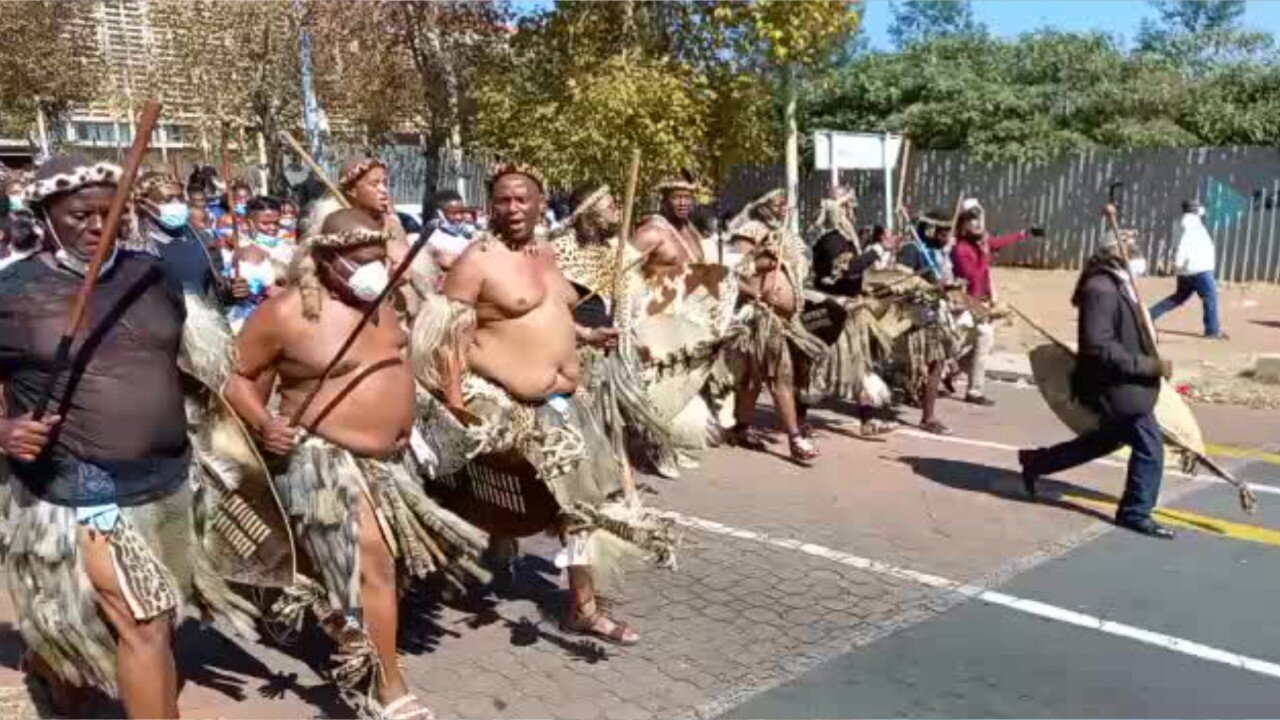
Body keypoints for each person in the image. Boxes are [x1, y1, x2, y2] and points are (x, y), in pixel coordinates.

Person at [0, 154, 252, 718]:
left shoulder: (151, 274)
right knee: (146, 625)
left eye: (108, 212)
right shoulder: (13, 291)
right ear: (45, 214)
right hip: (85, 486)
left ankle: (51, 666)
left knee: (142, 620)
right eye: (78, 214)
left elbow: (190, 364)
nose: (96, 226)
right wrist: (5, 429)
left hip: (169, 480)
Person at [225, 208, 486, 718]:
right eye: (360, 260)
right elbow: (234, 375)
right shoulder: (285, 314)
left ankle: (338, 628)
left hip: (392, 463)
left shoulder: (383, 305)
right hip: (326, 462)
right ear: (325, 260)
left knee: (376, 574)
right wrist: (263, 422)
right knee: (370, 568)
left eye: (378, 259)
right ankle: (386, 687)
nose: (374, 270)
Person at [439, 163, 674, 646]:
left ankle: (580, 607)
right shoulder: (477, 259)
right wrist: (456, 406)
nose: (513, 207)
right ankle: (527, 580)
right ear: (491, 206)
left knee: (586, 502)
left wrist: (588, 333)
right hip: (507, 402)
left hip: (565, 399)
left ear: (541, 204)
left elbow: (552, 310)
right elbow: (445, 337)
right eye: (503, 199)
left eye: (523, 198)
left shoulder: (545, 254)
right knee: (540, 500)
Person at [1019, 229, 1175, 539]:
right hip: (1113, 385)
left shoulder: (1119, 284)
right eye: (1135, 253)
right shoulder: (1101, 288)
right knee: (1150, 447)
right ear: (1119, 256)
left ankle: (1037, 462)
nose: (1141, 260)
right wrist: (1147, 366)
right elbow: (1098, 346)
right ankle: (1135, 511)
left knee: (1105, 440)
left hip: (1126, 382)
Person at [550, 183, 679, 477]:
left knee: (610, 423)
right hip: (572, 352)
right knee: (576, 425)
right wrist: (583, 333)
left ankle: (608, 480)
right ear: (591, 214)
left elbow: (624, 301)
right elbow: (548, 310)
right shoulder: (560, 250)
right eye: (610, 207)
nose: (617, 212)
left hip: (609, 352)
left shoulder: (613, 251)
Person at [724, 190, 826, 462]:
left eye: (785, 204)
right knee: (780, 375)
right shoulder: (750, 231)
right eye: (778, 204)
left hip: (784, 319)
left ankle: (741, 427)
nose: (783, 208)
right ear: (763, 206)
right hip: (760, 317)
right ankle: (795, 438)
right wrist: (759, 287)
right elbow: (733, 273)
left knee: (754, 380)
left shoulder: (784, 235)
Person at [808, 191, 897, 435]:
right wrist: (878, 250)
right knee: (821, 366)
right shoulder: (832, 240)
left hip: (851, 309)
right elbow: (848, 269)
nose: (852, 212)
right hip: (833, 310)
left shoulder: (845, 238)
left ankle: (867, 420)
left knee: (861, 364)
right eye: (848, 207)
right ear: (837, 210)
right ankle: (797, 419)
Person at [950, 199, 1043, 406]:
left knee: (984, 343)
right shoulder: (961, 249)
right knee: (954, 346)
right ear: (963, 225)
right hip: (964, 305)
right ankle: (946, 369)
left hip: (980, 306)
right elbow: (972, 276)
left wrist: (1024, 233)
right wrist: (984, 255)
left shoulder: (979, 245)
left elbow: (1000, 242)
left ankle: (974, 390)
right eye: (972, 221)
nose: (977, 225)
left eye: (978, 220)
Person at [133, 169, 246, 306]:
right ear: (144, 205)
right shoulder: (134, 250)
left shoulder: (203, 240)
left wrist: (232, 290)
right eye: (167, 200)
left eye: (179, 198)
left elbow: (216, 290)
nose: (176, 204)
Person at [895, 210, 960, 435]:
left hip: (933, 313)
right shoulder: (912, 250)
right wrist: (930, 285)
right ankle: (927, 416)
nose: (947, 235)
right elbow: (901, 283)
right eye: (943, 231)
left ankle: (926, 413)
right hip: (915, 314)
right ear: (931, 229)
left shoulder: (937, 251)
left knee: (937, 361)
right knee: (927, 363)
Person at [1149, 199, 1224, 339]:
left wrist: (1178, 265)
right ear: (1194, 210)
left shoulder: (1183, 222)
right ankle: (1212, 330)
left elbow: (1180, 244)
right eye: (1198, 207)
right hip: (1198, 268)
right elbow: (1182, 245)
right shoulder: (1190, 224)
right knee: (1210, 297)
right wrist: (1177, 262)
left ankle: (1149, 314)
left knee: (1179, 296)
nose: (1201, 210)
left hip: (1188, 269)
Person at [632, 171, 705, 276]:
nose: (683, 203)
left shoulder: (691, 230)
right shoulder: (651, 233)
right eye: (676, 197)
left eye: (687, 197)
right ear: (664, 201)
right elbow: (626, 273)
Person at [425, 189, 475, 274]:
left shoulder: (468, 236)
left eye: (461, 212)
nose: (459, 217)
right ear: (440, 214)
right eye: (454, 213)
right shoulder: (432, 239)